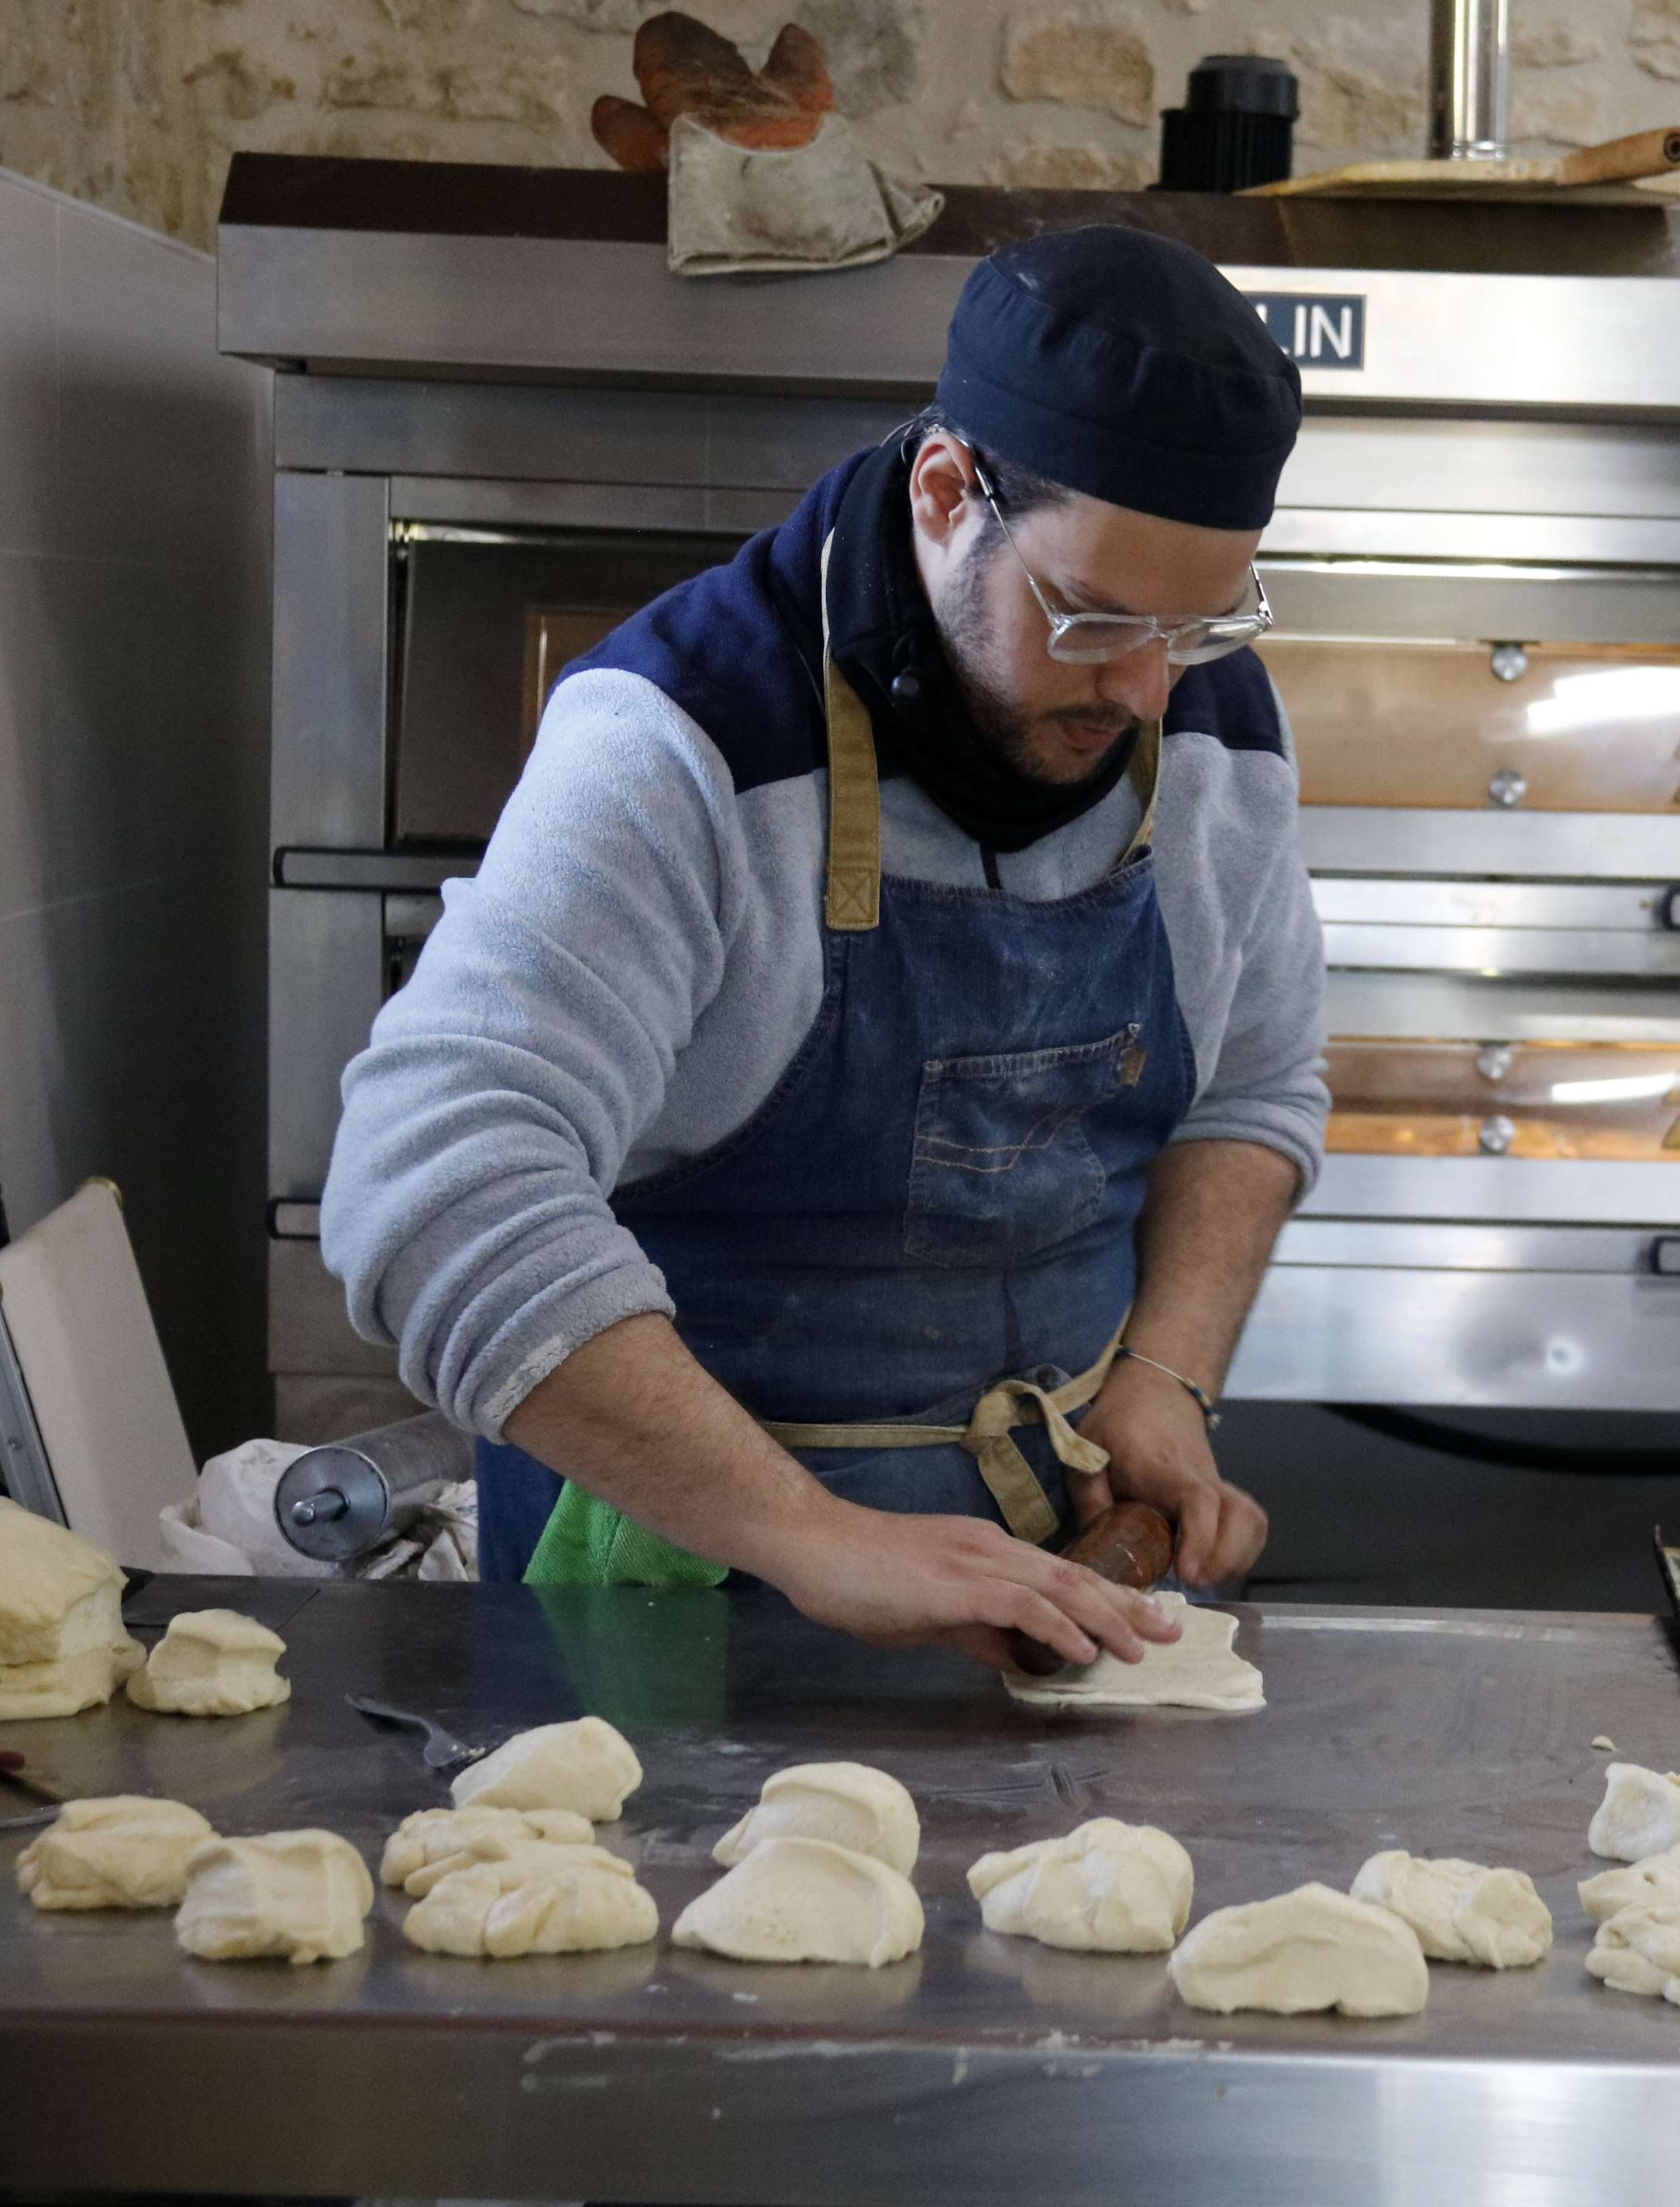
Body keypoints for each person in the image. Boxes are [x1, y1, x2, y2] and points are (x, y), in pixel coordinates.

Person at [322, 224, 1327, 1675]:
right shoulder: (683, 743)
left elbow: (1254, 1085)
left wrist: (1166, 1375)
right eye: (1095, 614)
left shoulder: (1207, 730)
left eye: (1203, 623)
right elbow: (434, 1184)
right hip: (671, 1615)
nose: (1145, 685)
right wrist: (809, 1532)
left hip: (1065, 1604)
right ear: (944, 496)